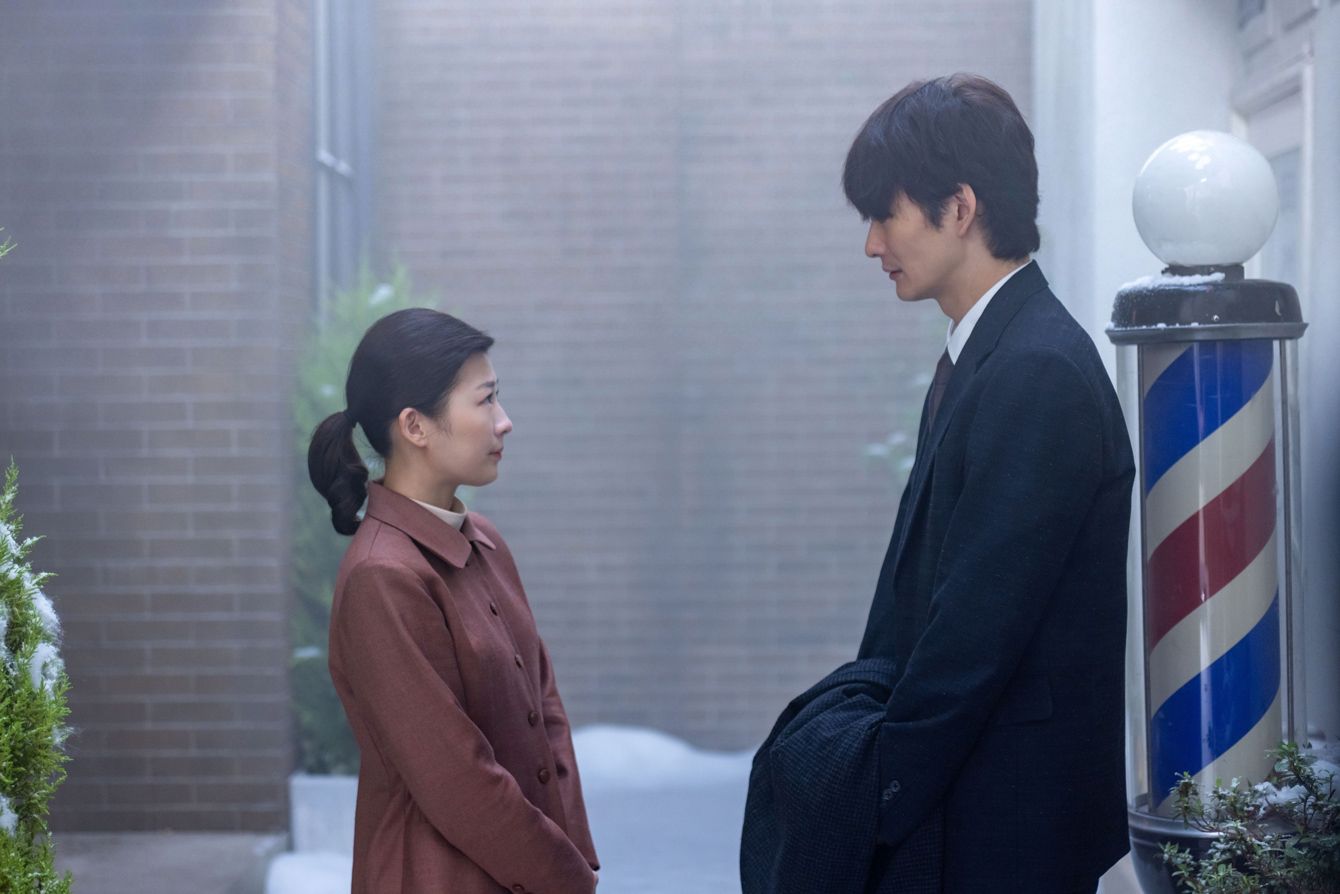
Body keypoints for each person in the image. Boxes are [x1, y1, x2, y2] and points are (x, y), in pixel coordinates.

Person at [844, 74, 1135, 892]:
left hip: (1007, 826)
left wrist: (873, 795)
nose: (872, 245)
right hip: (978, 809)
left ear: (961, 207)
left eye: (885, 214)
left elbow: (973, 632)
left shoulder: (1036, 370)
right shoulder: (992, 352)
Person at [307, 308, 599, 894]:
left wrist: (576, 857)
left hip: (530, 873)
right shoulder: (382, 575)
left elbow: (545, 710)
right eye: (485, 401)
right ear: (415, 426)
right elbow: (453, 776)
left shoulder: (483, 540)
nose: (504, 422)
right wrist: (562, 877)